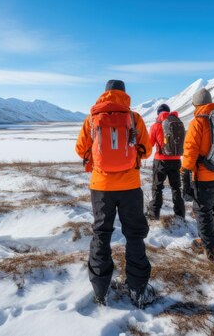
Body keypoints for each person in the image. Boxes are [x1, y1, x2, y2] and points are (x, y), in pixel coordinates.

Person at [75, 80, 155, 308]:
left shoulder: (92, 118)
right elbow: (147, 150)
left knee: (101, 233)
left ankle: (100, 291)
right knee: (134, 235)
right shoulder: (133, 118)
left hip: (100, 187)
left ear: (105, 93)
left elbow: (80, 148)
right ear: (124, 94)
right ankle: (138, 289)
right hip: (130, 185)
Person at [181, 88, 214, 260]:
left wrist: (185, 172)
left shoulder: (197, 122)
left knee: (203, 212)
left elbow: (190, 151)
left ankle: (209, 248)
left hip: (204, 177)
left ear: (196, 104)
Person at [146, 103, 185, 220]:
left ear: (158, 113)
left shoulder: (155, 126)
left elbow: (149, 144)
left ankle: (154, 214)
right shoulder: (177, 123)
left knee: (157, 188)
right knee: (176, 188)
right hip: (176, 160)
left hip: (161, 161)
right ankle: (180, 214)